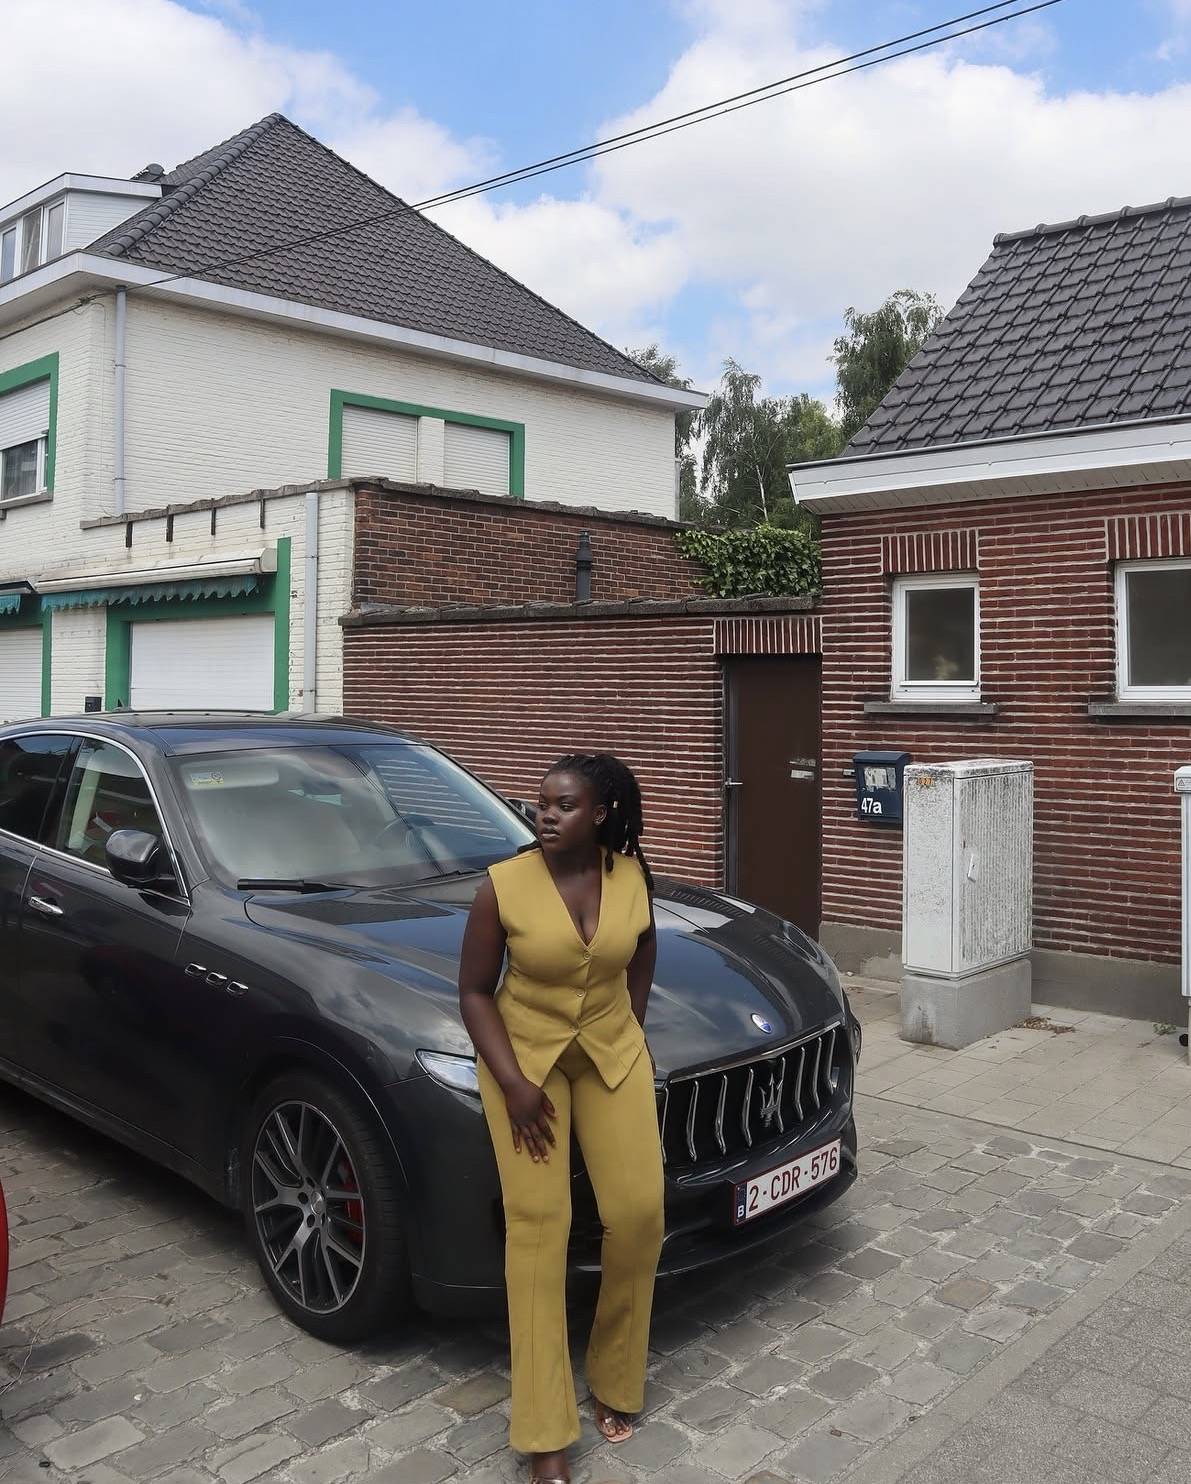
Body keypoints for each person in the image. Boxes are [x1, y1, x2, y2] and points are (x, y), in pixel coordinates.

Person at [458, 752, 664, 1484]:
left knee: (638, 1213)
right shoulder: (503, 886)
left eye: (564, 804)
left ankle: (615, 1375)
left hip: (610, 1053)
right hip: (524, 1063)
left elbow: (642, 949)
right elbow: (474, 992)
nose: (545, 814)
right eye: (541, 802)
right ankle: (545, 1432)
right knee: (540, 1228)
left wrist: (630, 1027)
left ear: (599, 814)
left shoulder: (630, 877)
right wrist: (513, 1084)